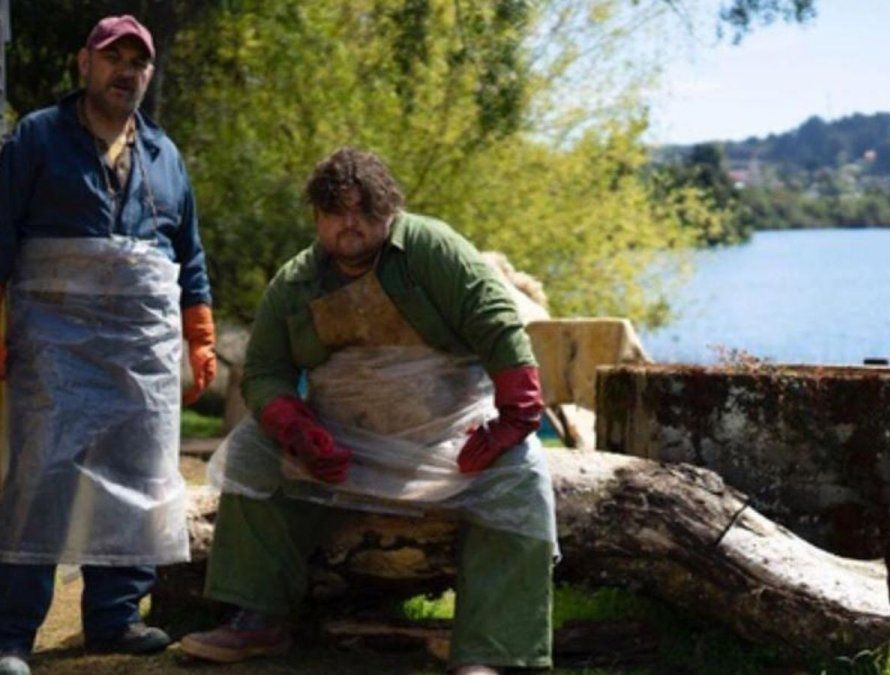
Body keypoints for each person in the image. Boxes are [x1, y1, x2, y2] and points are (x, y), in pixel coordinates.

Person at [180, 147, 556, 675]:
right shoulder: (295, 282)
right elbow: (265, 370)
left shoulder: (431, 247)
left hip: (451, 439)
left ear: (390, 210)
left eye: (365, 210)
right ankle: (258, 618)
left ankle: (489, 651)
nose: (350, 223)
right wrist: (294, 426)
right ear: (317, 216)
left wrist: (517, 412)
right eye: (336, 211)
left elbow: (495, 322)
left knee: (523, 479)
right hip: (341, 445)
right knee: (251, 452)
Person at [0, 15, 216, 675]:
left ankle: (115, 618)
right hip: (52, 342)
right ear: (83, 65)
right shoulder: (35, 136)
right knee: (42, 476)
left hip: (142, 354)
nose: (127, 71)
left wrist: (200, 335)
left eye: (138, 63)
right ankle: (11, 632)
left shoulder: (166, 154)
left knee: (139, 471)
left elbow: (190, 254)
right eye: (113, 57)